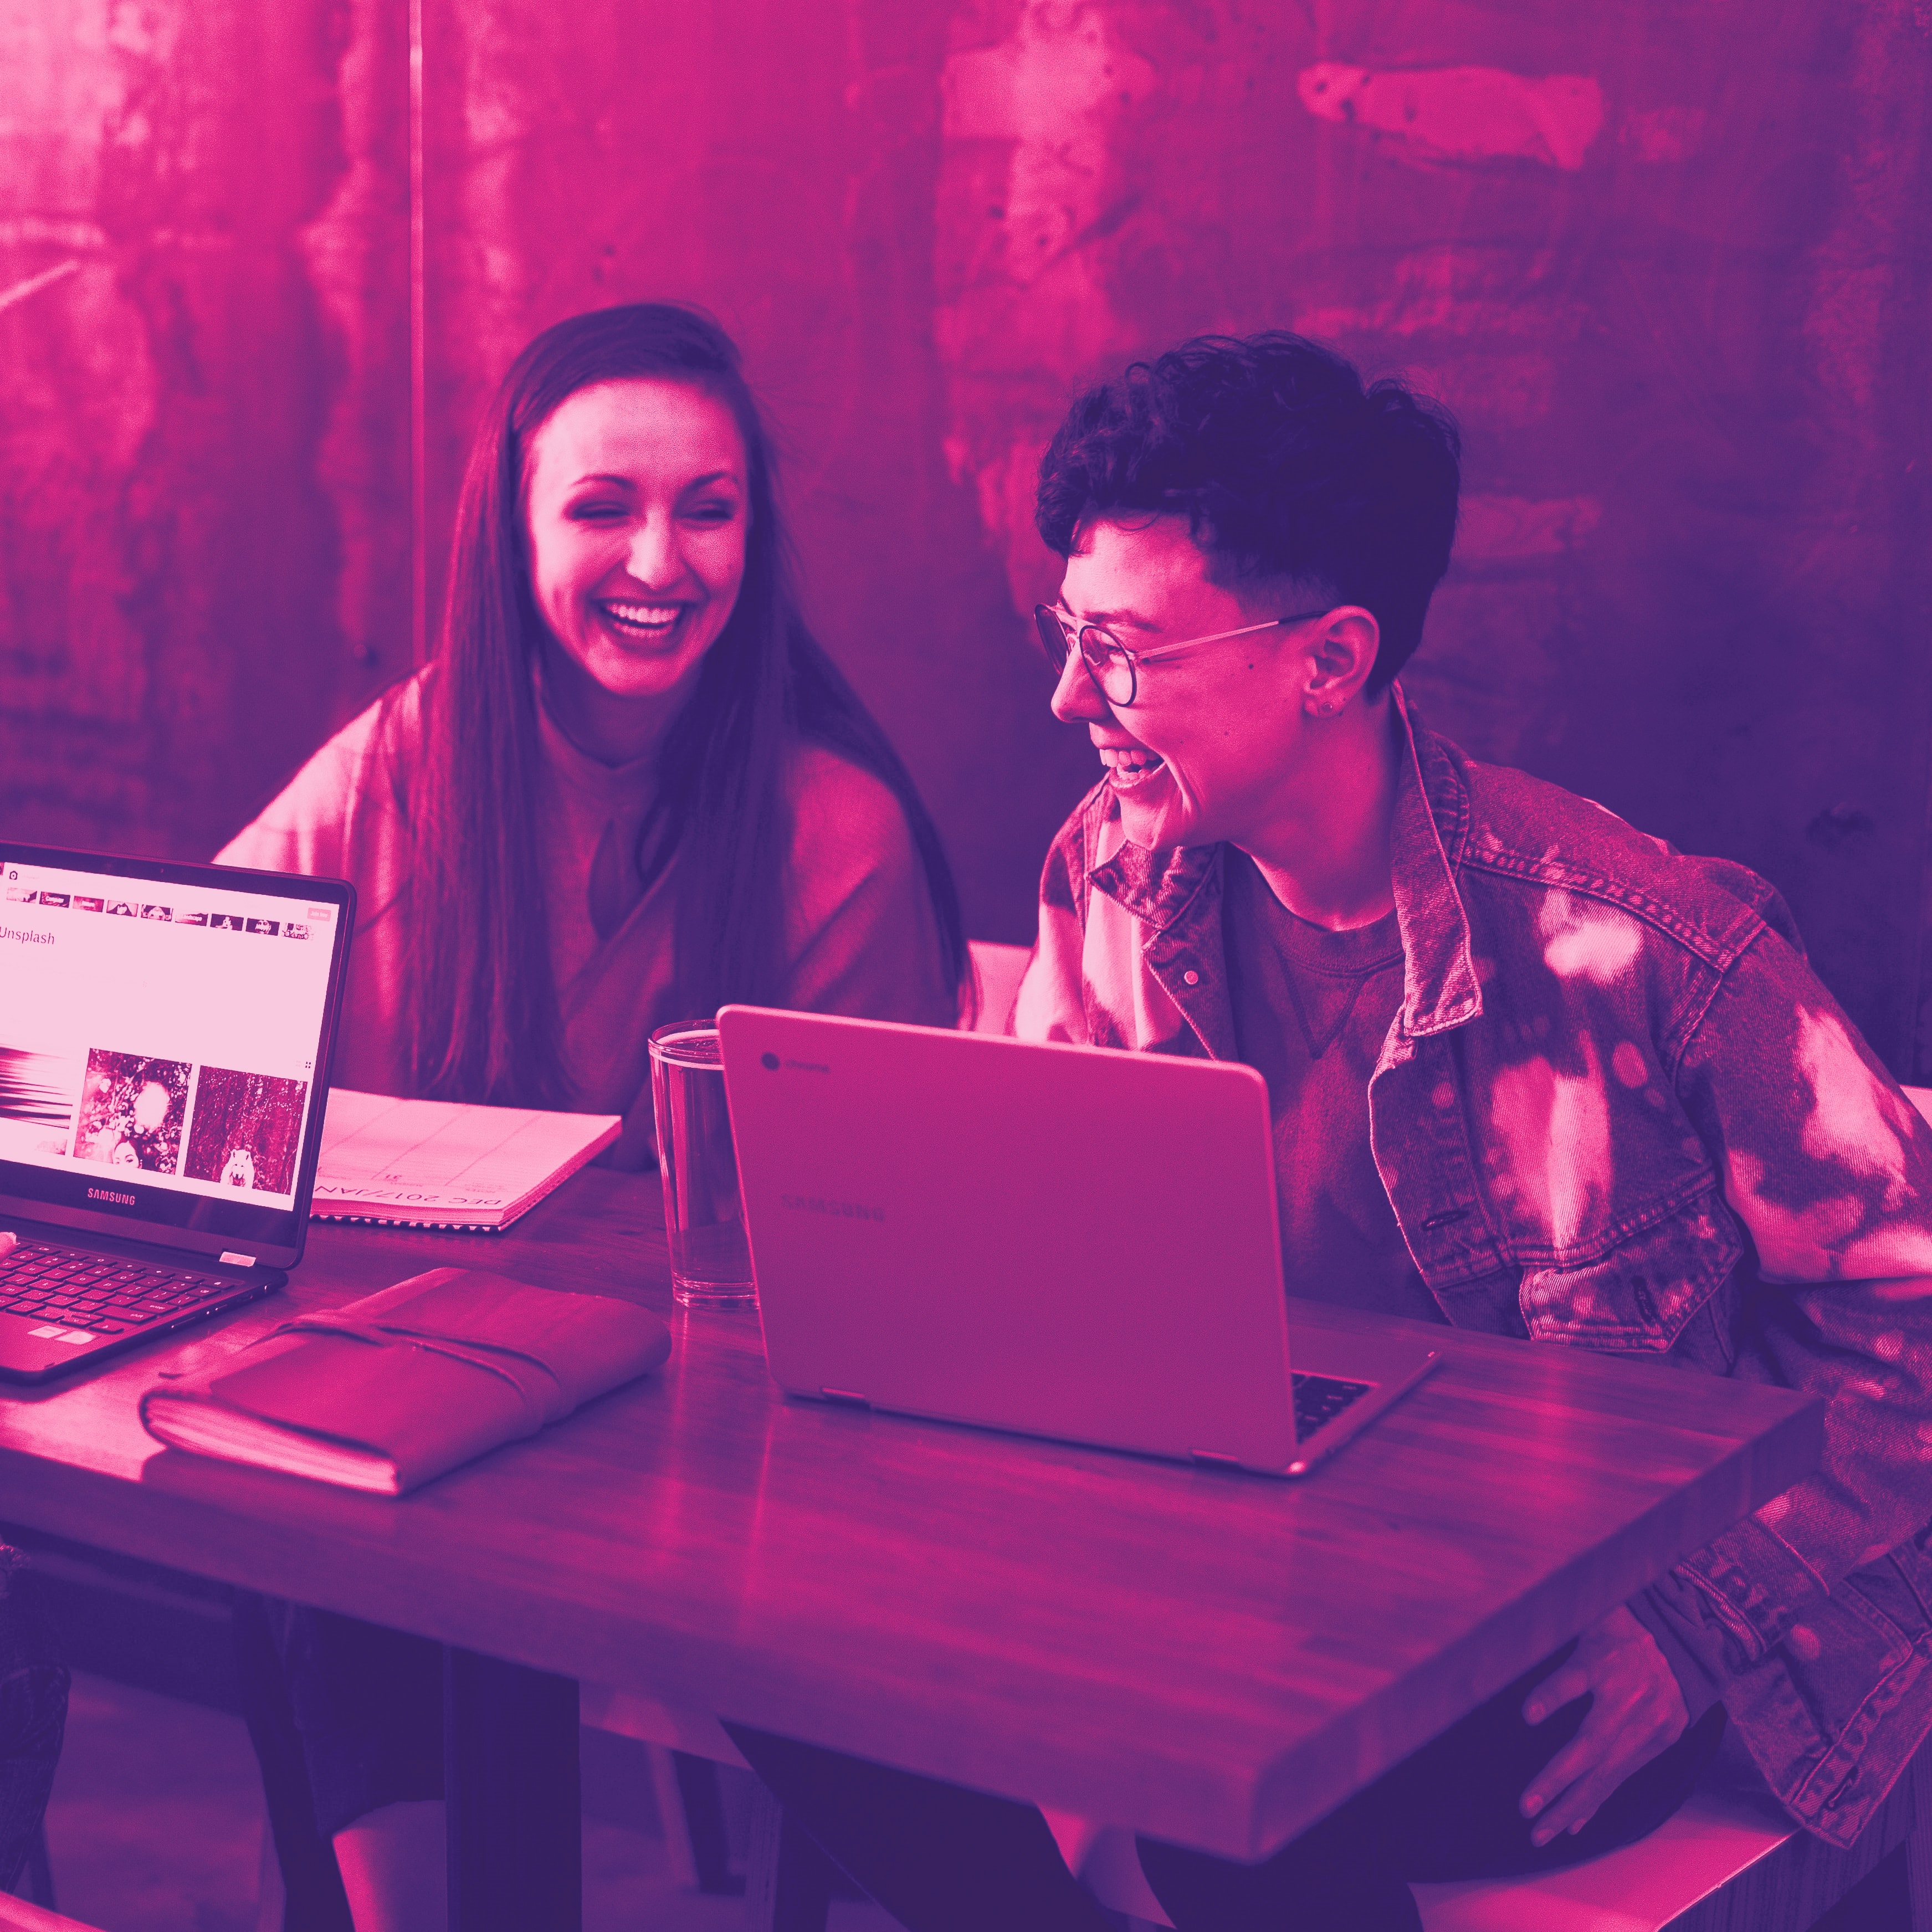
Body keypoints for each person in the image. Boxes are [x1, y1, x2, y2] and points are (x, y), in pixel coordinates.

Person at [725, 332, 1932, 1931]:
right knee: (775, 1650)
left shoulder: (1635, 950)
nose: (1071, 695)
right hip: (1242, 1580)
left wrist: (1699, 1620)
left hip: (1563, 1630)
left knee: (1237, 1796)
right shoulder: (1107, 885)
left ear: (1330, 660)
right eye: (1069, 634)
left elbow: (1909, 1322)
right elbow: (1048, 1297)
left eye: (1128, 649)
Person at [219, 301, 968, 1932]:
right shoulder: (412, 756)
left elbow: (876, 1255)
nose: (662, 556)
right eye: (602, 506)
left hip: (715, 1454)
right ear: (514, 526)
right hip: (425, 1406)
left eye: (708, 506)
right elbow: (205, 1008)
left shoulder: (832, 830)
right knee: (325, 1500)